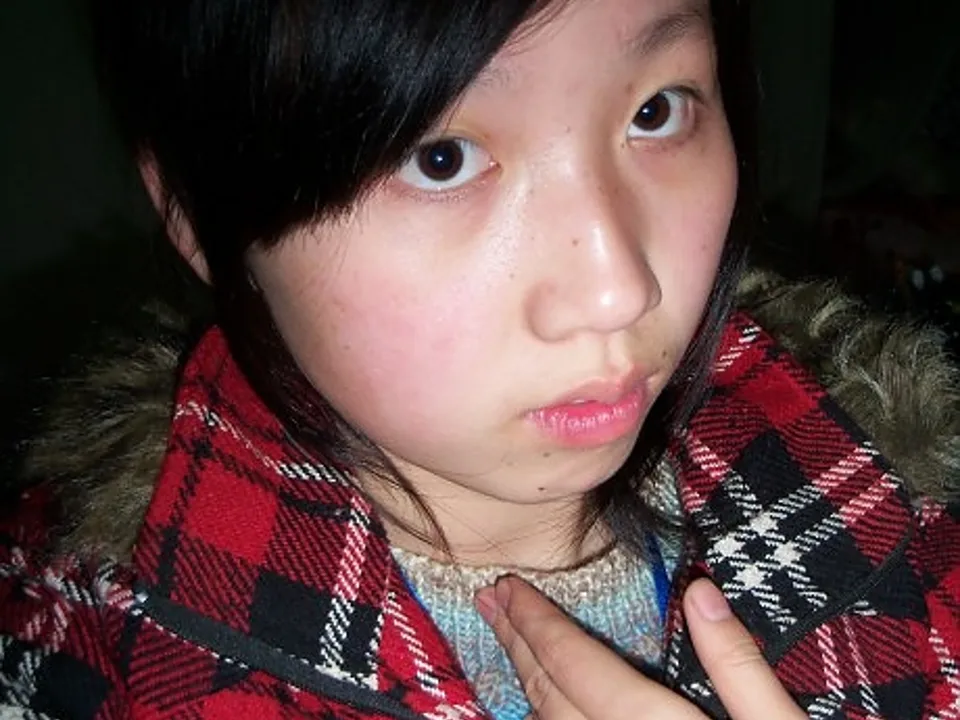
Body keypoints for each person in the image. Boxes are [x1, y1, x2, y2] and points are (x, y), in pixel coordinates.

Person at [0, 0, 957, 718]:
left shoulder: (906, 506)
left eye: (657, 111)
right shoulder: (81, 661)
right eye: (442, 158)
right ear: (194, 213)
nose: (616, 289)